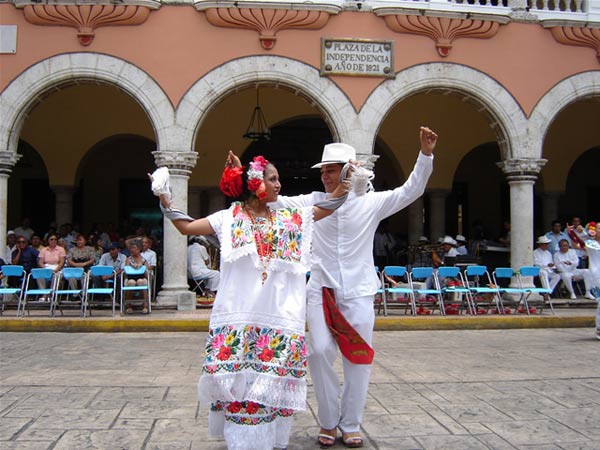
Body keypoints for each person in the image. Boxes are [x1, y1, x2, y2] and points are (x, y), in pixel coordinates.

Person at [149, 152, 348, 450]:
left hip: (277, 316)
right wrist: (165, 198)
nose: (279, 184)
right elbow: (187, 227)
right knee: (240, 385)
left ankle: (269, 441)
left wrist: (346, 182)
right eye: (272, 179)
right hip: (238, 315)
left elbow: (329, 206)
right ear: (256, 184)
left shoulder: (289, 218)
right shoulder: (229, 218)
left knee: (270, 385)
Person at [272, 126, 437, 447]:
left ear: (349, 170)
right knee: (318, 352)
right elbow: (278, 205)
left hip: (360, 292)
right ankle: (329, 420)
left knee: (358, 360)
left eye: (332, 171)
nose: (325, 177)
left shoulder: (371, 203)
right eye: (324, 172)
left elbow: (412, 190)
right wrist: (247, 178)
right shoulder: (313, 201)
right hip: (321, 291)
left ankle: (350, 424)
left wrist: (425, 155)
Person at [567, 221, 600, 340]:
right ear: (594, 230)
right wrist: (571, 233)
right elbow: (578, 245)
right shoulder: (591, 244)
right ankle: (599, 328)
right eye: (598, 228)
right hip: (596, 275)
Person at [123, 239, 149, 314]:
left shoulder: (144, 260)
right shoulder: (128, 259)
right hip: (130, 278)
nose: (132, 250)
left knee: (141, 282)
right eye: (131, 248)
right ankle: (129, 305)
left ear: (139, 249)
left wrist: (142, 269)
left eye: (134, 248)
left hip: (141, 277)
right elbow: (126, 271)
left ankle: (145, 305)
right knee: (131, 283)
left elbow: (147, 273)